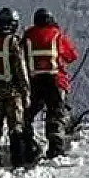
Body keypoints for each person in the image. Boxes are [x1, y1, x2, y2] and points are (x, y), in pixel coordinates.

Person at [21, 8, 79, 163]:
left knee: (26, 115)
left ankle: (27, 146)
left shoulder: (28, 35)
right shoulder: (56, 35)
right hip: (55, 82)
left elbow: (20, 56)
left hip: (34, 82)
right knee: (55, 115)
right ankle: (55, 149)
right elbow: (72, 56)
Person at [0, 7, 32, 168]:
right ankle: (17, 160)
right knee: (15, 126)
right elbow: (20, 68)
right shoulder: (12, 42)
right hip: (12, 91)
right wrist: (26, 92)